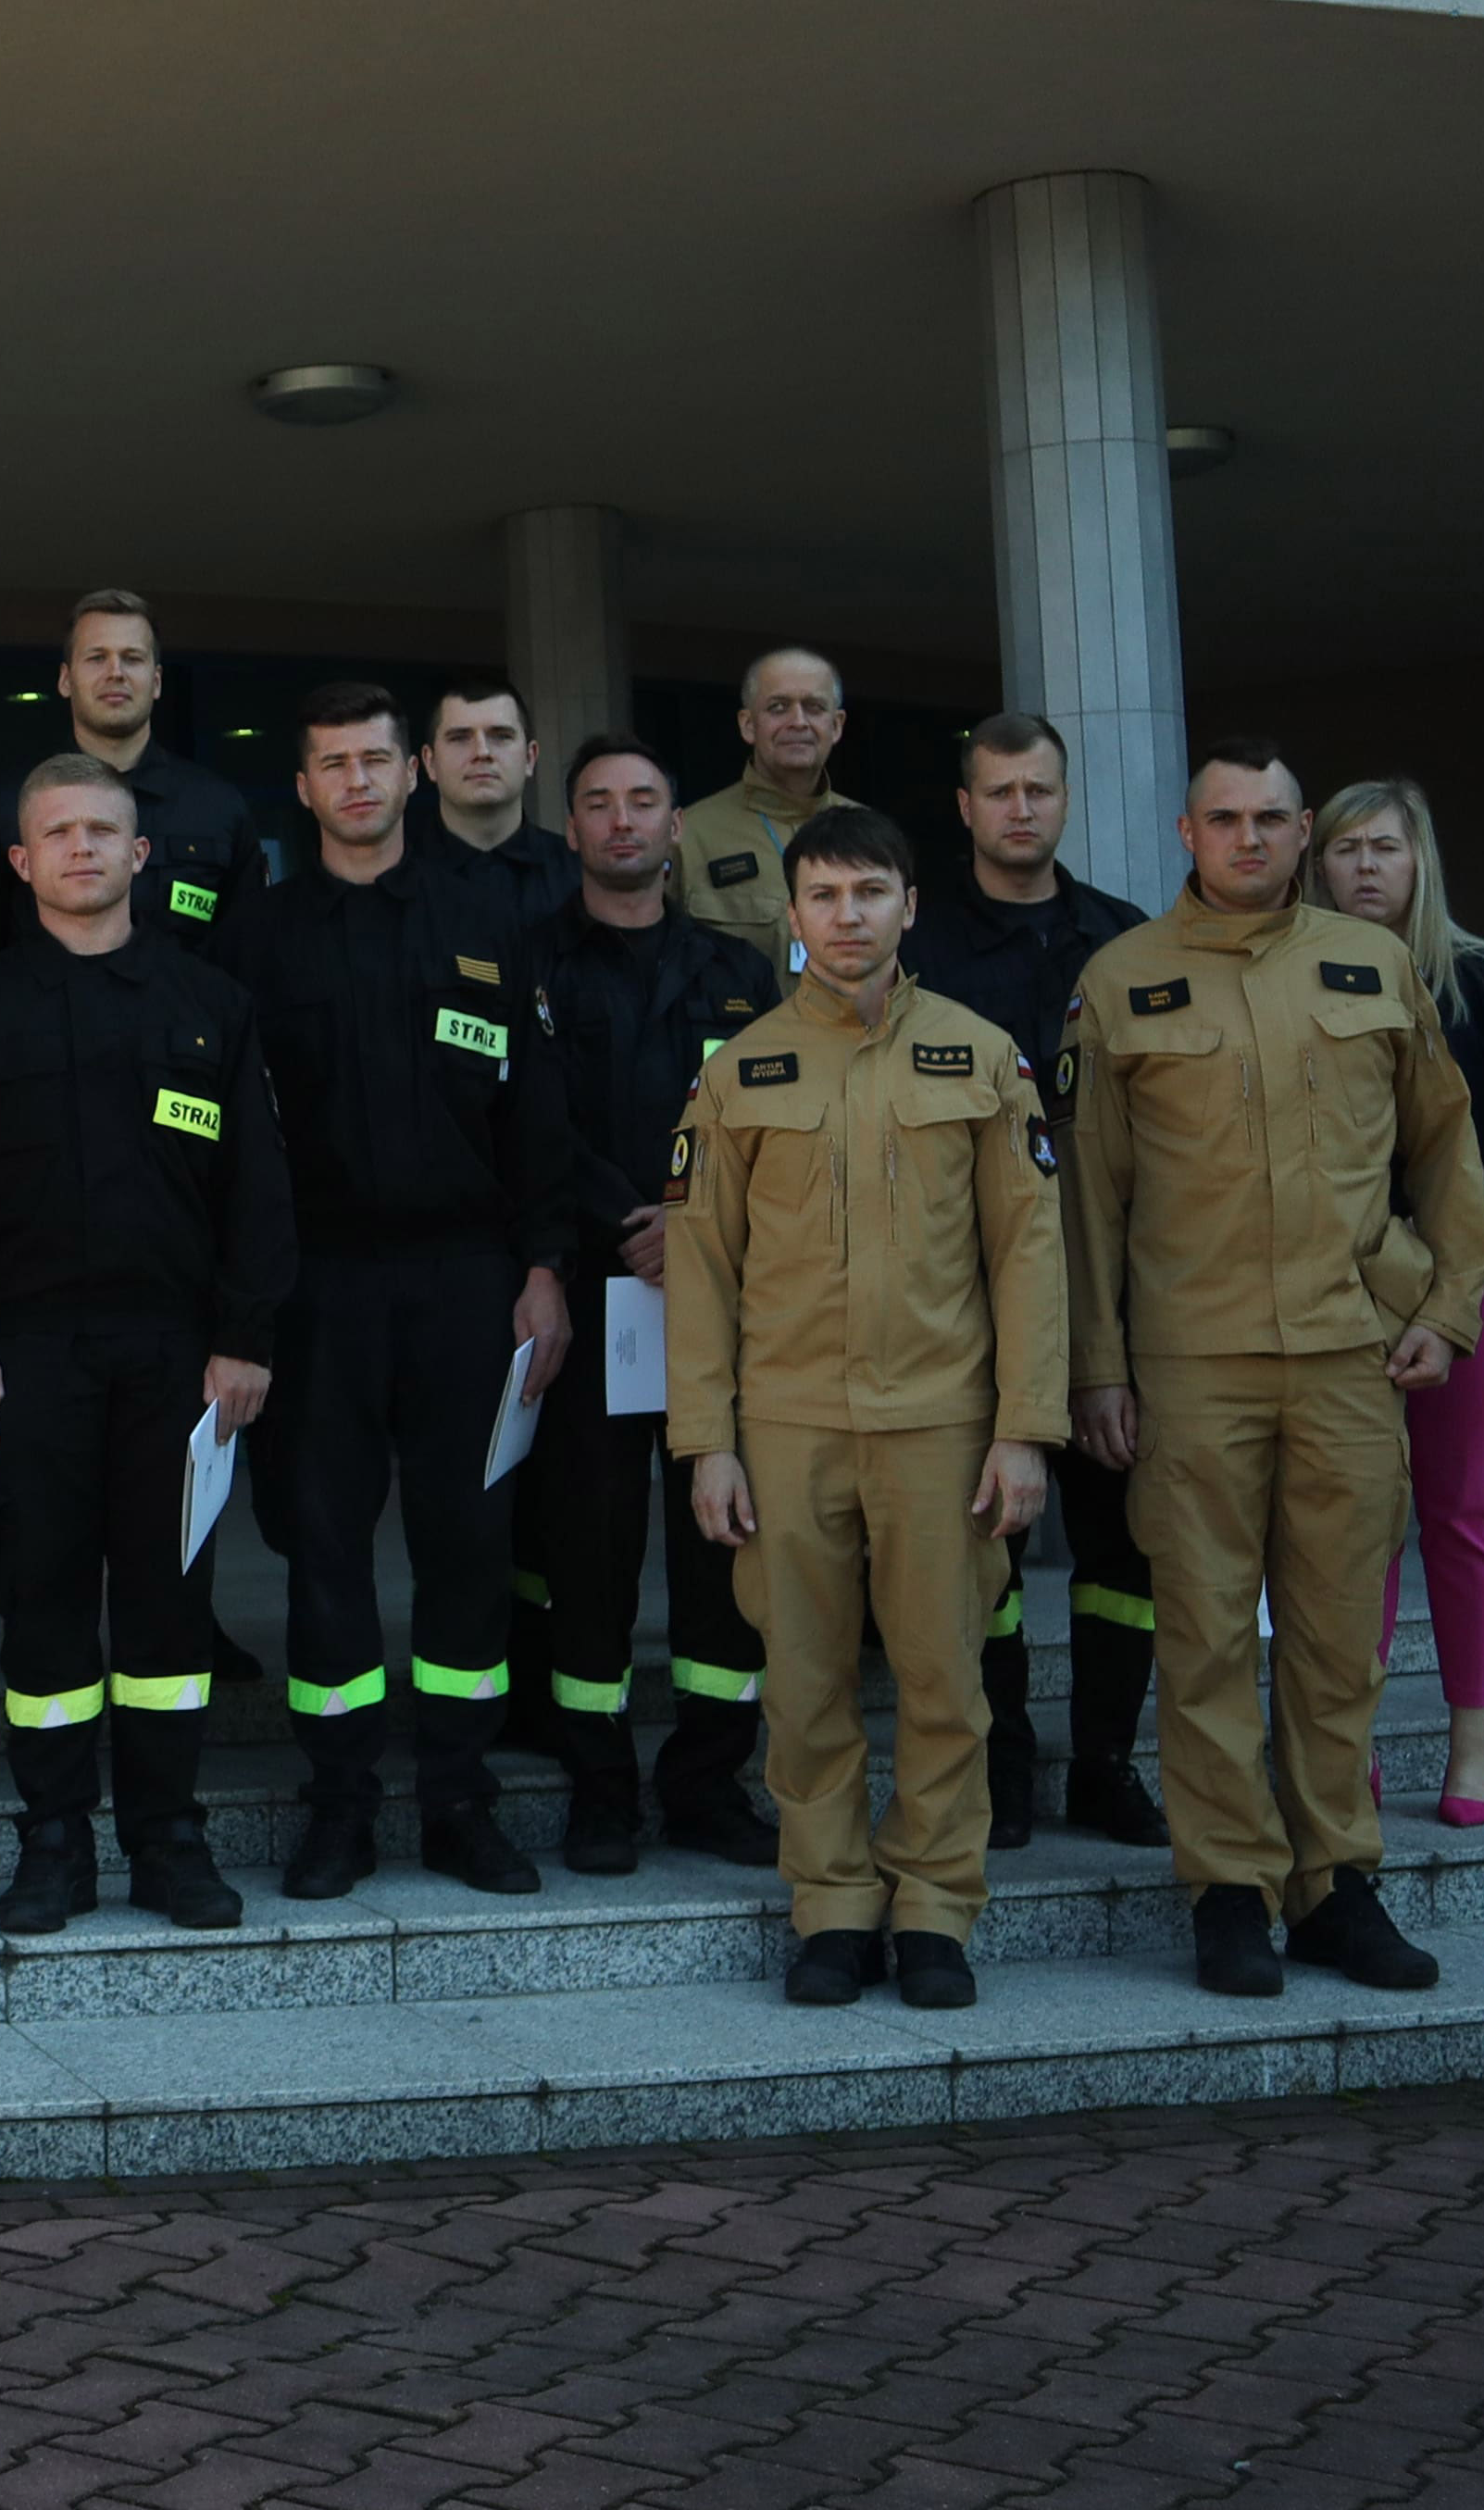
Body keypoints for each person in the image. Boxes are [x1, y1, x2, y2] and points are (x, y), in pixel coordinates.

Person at [1068, 739, 1484, 2001]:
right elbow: (1087, 1200)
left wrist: (1449, 1306)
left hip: (1347, 1356)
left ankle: (1334, 1886)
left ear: (1306, 831)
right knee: (1199, 1636)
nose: (1246, 840)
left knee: (1332, 1643)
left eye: (1268, 819)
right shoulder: (1123, 978)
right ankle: (1230, 1893)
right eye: (1222, 820)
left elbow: (1446, 1146)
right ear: (1185, 834)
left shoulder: (1370, 966)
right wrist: (1096, 1367)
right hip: (1189, 1361)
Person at [666, 806, 1065, 2012]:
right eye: (825, 898)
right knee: (805, 1684)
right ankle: (834, 1908)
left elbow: (1029, 1252)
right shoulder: (740, 1072)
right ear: (792, 918)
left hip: (943, 1426)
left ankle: (937, 1911)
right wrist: (707, 1444)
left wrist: (1023, 1427)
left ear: (908, 906)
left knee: (947, 1680)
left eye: (870, 894)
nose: (848, 918)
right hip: (787, 1430)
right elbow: (700, 1266)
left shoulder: (983, 1055)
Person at [217, 681, 588, 1897]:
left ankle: (459, 1803)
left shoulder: (493, 916)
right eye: (334, 765)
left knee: (467, 1548)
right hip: (320, 1286)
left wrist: (545, 1268)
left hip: (467, 1283)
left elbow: (539, 1113)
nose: (359, 783)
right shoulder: (257, 938)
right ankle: (341, 1808)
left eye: (377, 761)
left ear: (412, 773)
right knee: (324, 1552)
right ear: (307, 785)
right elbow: (234, 1140)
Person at [0, 755, 287, 1935]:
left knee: (173, 1613)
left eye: (103, 832)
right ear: (20, 864)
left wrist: (244, 1338)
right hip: (28, 1356)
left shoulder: (210, 1006)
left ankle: (169, 1840)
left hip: (177, 1358)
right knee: (45, 1606)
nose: (82, 849)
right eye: (58, 834)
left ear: (141, 857)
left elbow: (256, 1190)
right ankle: (54, 1842)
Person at [505, 734, 777, 1871]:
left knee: (725, 1546)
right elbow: (527, 1126)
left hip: (721, 1295)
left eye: (645, 802)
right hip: (590, 1287)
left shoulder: (743, 972)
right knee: (592, 1549)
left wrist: (697, 1224)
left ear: (677, 829)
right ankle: (601, 1786)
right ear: (569, 830)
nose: (622, 822)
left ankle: (711, 1782)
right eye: (599, 805)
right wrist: (634, 1222)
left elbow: (770, 1123)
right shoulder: (527, 965)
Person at [903, 713, 1172, 1850]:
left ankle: (1104, 1764)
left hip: (1112, 1288)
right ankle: (1001, 1762)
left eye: (1040, 791)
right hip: (964, 1291)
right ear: (963, 807)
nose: (1021, 810)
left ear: (1066, 802)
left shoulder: (1127, 943)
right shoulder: (920, 953)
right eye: (999, 791)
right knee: (985, 1544)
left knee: (1125, 1547)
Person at [1309, 776, 1484, 1829]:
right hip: (1344, 1288)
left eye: (1385, 847)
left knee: (1459, 1510)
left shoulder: (1478, 980)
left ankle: (1472, 1741)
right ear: (1316, 865)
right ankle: (1349, 1742)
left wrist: (1446, 1231)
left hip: (1480, 1279)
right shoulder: (1300, 985)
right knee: (1357, 1522)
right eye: (1344, 849)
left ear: (1420, 863)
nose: (1365, 866)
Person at [0, 592, 257, 953]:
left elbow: (248, 951)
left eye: (132, 658)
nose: (115, 672)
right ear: (65, 679)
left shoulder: (218, 807)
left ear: (156, 682)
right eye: (96, 658)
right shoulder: (6, 804)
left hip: (183, 1007)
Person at [672, 647, 852, 968]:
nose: (798, 721)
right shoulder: (689, 836)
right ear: (748, 725)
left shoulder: (870, 831)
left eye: (814, 707)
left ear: (836, 725)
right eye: (778, 707)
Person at [418, 676, 583, 937]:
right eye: (460, 738)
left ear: (530, 758)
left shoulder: (581, 877)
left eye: (501, 736)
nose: (482, 752)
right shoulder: (395, 875)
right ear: (429, 762)